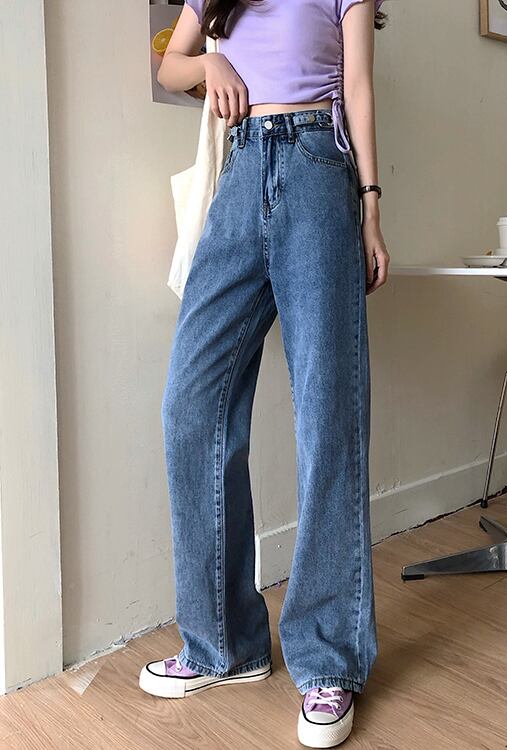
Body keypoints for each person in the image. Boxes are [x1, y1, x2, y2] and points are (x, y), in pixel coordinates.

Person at [138, 1, 389, 747]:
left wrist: (371, 209)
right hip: (242, 169)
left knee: (328, 414)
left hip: (318, 167)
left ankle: (329, 659)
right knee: (192, 405)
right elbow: (169, 65)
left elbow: (358, 85)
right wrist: (209, 60)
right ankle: (223, 643)